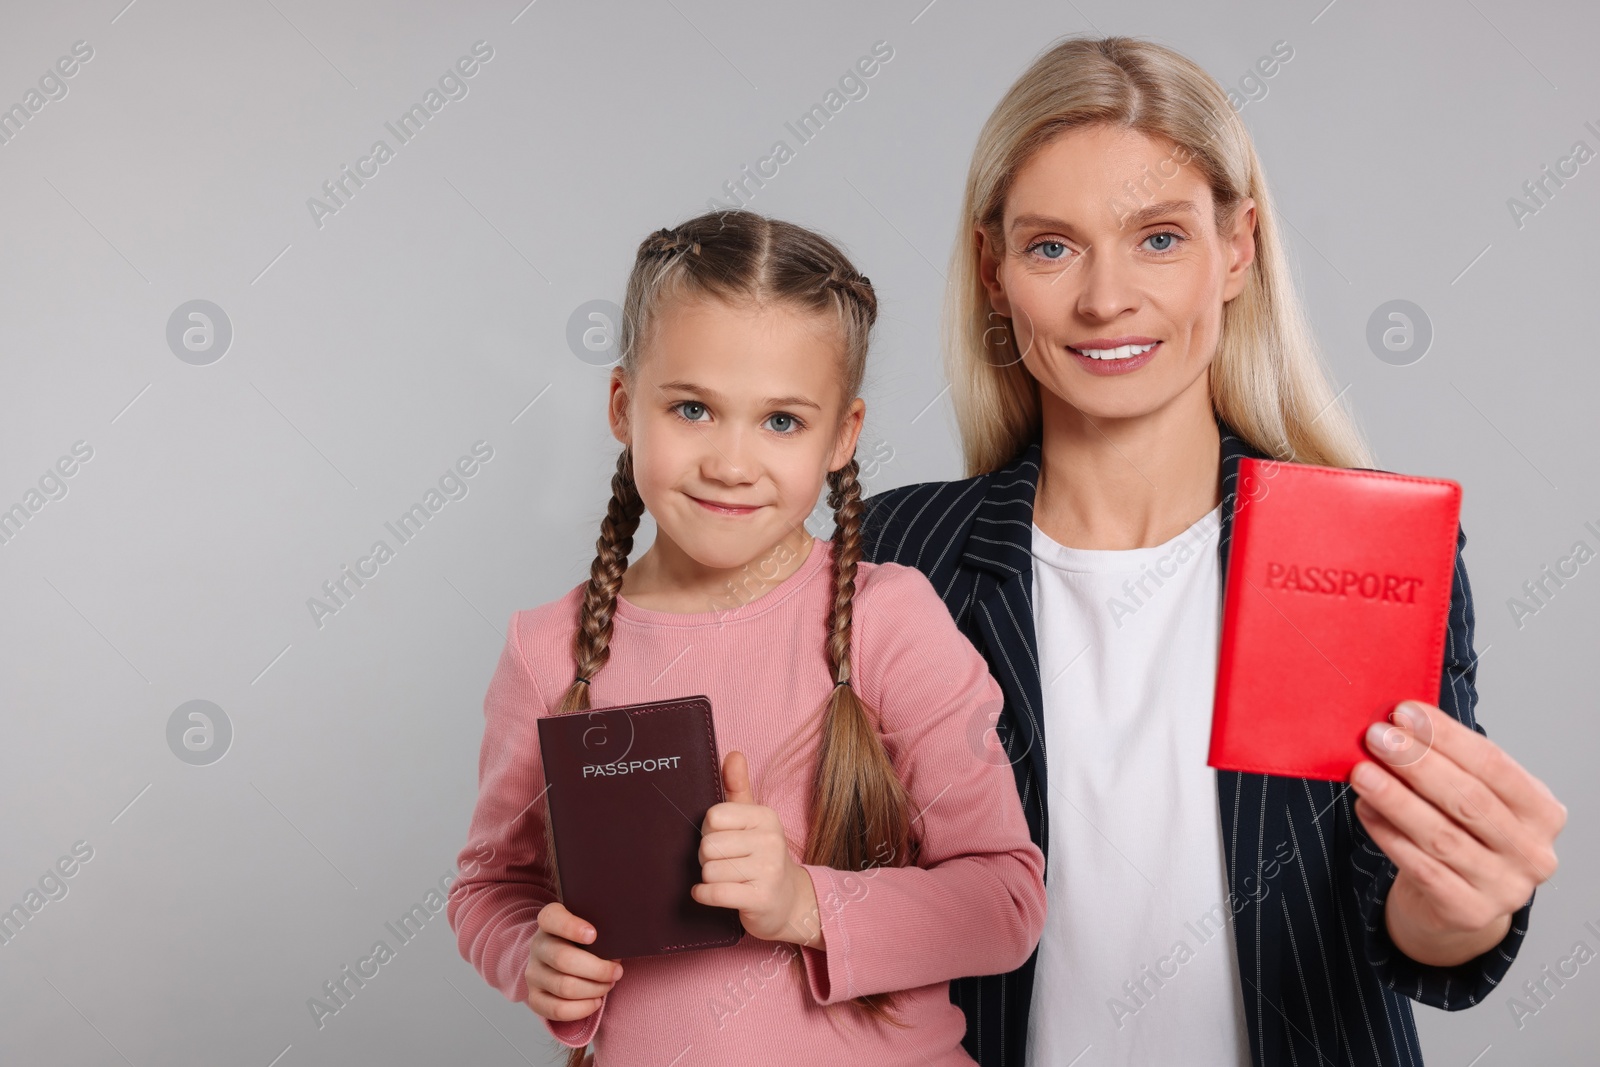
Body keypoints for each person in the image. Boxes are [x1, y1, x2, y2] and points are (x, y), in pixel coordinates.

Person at [859, 34, 1566, 1067]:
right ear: (992, 270)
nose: (1107, 298)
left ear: (1237, 247)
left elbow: (1403, 917)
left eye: (1158, 239)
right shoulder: (897, 551)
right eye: (1052, 246)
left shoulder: (1358, 548)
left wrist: (1462, 903)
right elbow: (833, 876)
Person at [445, 210, 1048, 1067]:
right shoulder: (549, 647)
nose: (732, 462)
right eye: (693, 408)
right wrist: (530, 956)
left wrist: (803, 901)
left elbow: (1007, 901)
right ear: (623, 405)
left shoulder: (892, 621)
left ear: (843, 436)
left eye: (781, 422)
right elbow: (489, 884)